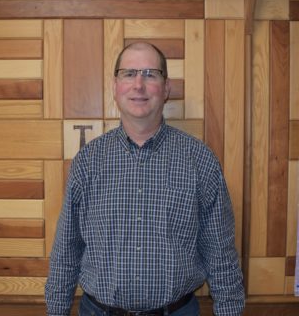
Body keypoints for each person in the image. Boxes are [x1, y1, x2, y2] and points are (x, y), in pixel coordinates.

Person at [45, 42, 245, 316]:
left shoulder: (200, 160)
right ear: (115, 86)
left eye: (150, 74)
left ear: (166, 89)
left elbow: (220, 254)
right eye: (129, 73)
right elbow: (66, 251)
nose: (138, 84)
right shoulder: (87, 162)